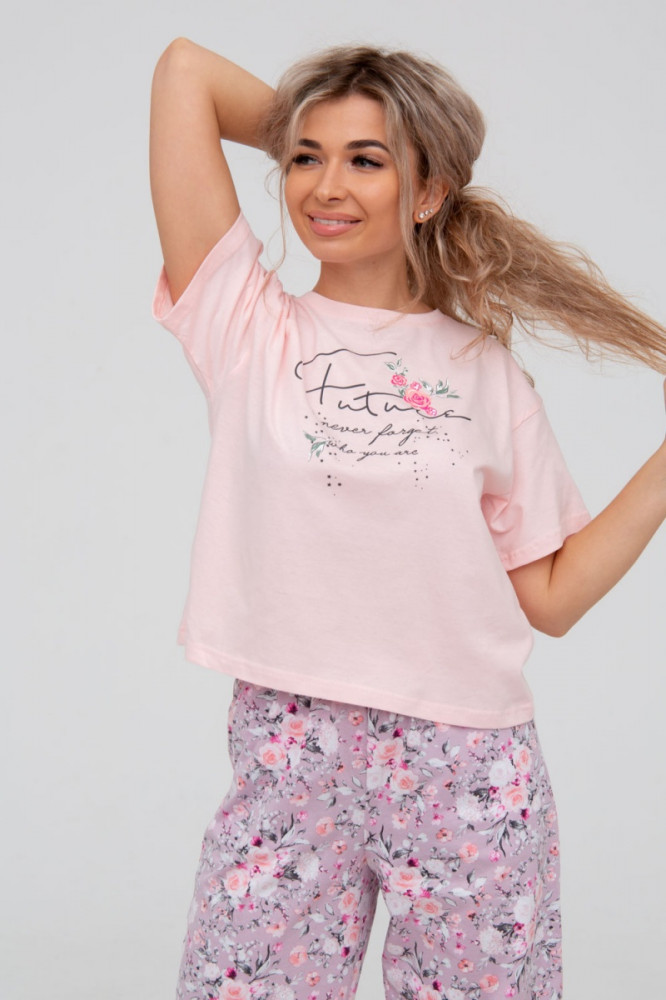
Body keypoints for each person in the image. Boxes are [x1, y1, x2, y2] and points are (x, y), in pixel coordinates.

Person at [149, 38, 666, 1000]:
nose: (324, 187)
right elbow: (186, 71)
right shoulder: (247, 325)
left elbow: (551, 598)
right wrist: (347, 140)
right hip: (291, 749)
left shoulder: (486, 373)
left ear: (428, 191)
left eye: (366, 160)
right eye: (306, 158)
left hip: (465, 763)